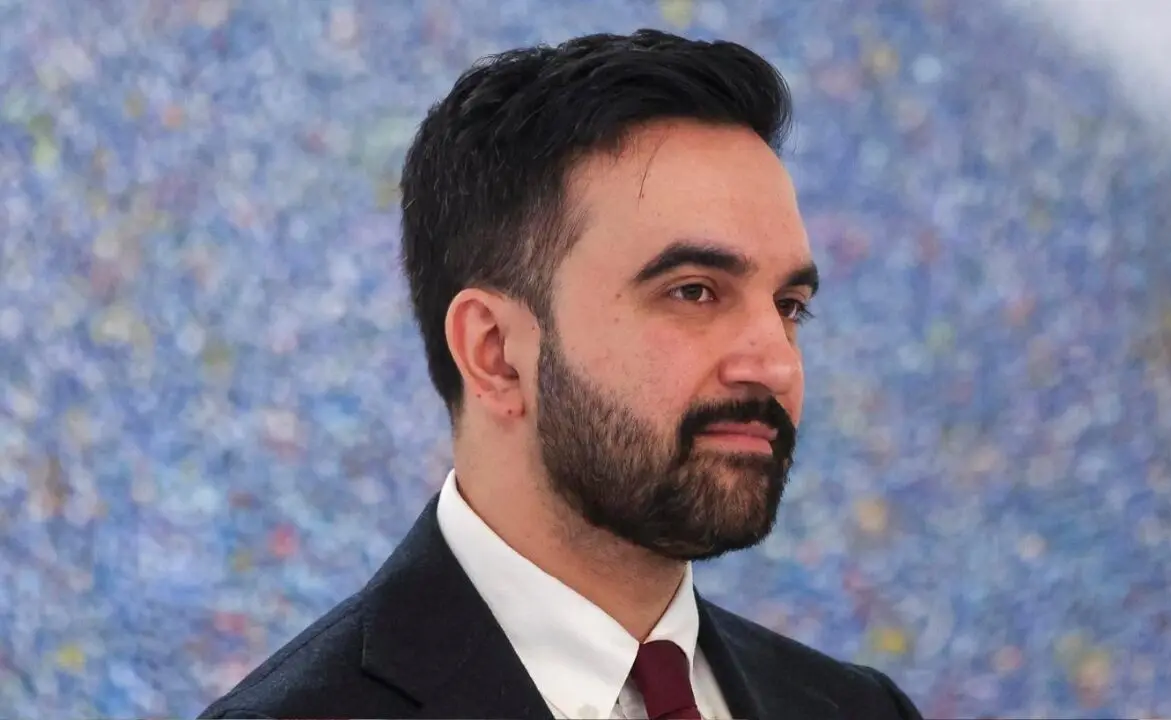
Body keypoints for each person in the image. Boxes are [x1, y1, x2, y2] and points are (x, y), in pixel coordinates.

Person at [200, 29, 921, 720]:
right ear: (494, 352)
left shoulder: (862, 709)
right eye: (694, 292)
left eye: (789, 306)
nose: (775, 364)